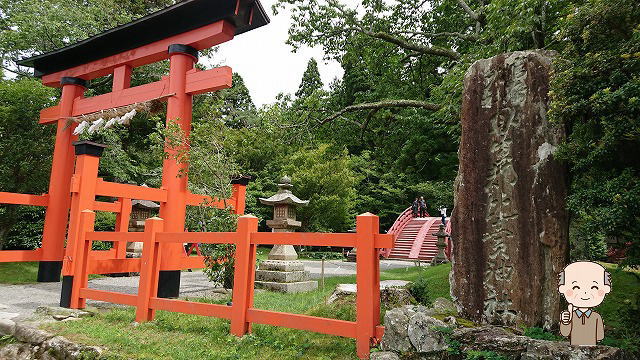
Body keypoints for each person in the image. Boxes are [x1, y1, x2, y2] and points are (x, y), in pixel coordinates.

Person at [557, 261, 611, 345]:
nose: (585, 292)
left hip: (592, 350)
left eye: (594, 287)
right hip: (574, 350)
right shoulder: (571, 316)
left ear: (605, 289)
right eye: (576, 287)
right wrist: (565, 322)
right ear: (563, 288)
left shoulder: (596, 317)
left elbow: (600, 336)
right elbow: (564, 333)